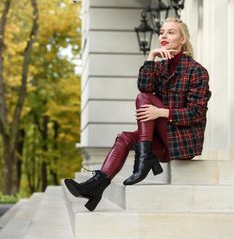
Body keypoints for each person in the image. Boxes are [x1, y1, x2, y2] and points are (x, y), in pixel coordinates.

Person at [64, 17, 211, 211]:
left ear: (182, 39)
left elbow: (197, 112)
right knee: (124, 137)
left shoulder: (197, 71)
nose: (164, 36)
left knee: (144, 98)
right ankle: (97, 186)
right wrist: (151, 56)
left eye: (171, 32)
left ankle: (143, 161)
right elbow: (144, 85)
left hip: (182, 141)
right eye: (162, 32)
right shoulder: (159, 67)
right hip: (159, 141)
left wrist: (160, 112)